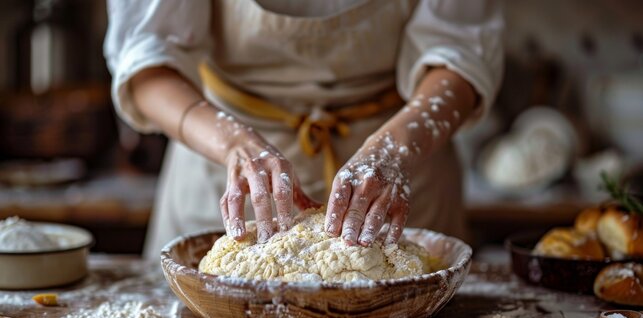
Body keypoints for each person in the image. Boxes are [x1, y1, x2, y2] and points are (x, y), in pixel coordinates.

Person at [105, 0, 503, 258]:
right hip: (221, 163)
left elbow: (461, 53)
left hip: (402, 159)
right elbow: (147, 66)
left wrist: (392, 149)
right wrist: (233, 145)